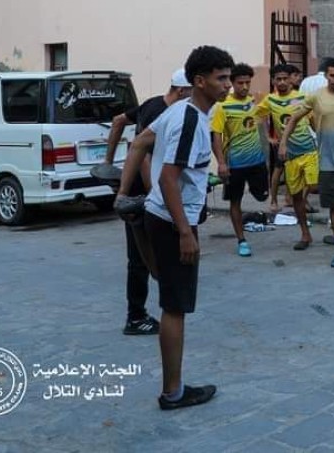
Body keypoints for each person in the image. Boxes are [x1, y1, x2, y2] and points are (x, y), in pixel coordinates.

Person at [118, 45, 233, 409]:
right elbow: (169, 178)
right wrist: (185, 231)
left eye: (229, 77)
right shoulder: (190, 120)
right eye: (221, 78)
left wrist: (124, 194)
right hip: (172, 220)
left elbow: (139, 142)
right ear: (199, 81)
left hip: (155, 214)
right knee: (174, 306)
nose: (228, 85)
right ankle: (173, 392)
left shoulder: (178, 110)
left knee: (168, 288)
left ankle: (137, 221)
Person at [103, 68, 191, 337]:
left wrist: (108, 165)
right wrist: (156, 197)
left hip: (139, 194)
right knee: (140, 259)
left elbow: (118, 121)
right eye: (190, 94)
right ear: (180, 91)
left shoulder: (153, 102)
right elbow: (142, 156)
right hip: (143, 197)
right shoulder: (161, 112)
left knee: (144, 258)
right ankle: (136, 316)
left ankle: (141, 312)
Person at [283, 57, 334, 268]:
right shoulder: (316, 97)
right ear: (326, 76)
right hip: (327, 163)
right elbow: (294, 118)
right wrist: (283, 143)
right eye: (332, 75)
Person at [209, 63, 268, 258]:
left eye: (247, 82)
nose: (244, 86)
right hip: (235, 163)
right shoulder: (222, 107)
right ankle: (241, 240)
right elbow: (216, 135)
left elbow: (263, 119)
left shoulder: (254, 100)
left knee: (261, 196)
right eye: (240, 83)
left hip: (257, 161)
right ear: (232, 83)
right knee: (235, 201)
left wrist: (271, 139)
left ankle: (253, 187)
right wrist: (221, 162)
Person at [260, 64, 318, 249]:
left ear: (291, 80)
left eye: (285, 78)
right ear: (273, 81)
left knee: (315, 185)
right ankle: (305, 234)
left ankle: (299, 199)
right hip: (290, 156)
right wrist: (268, 137)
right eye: (279, 79)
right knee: (296, 198)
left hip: (309, 149)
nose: (283, 82)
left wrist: (320, 137)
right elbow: (256, 117)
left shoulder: (303, 97)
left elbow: (314, 119)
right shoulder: (269, 100)